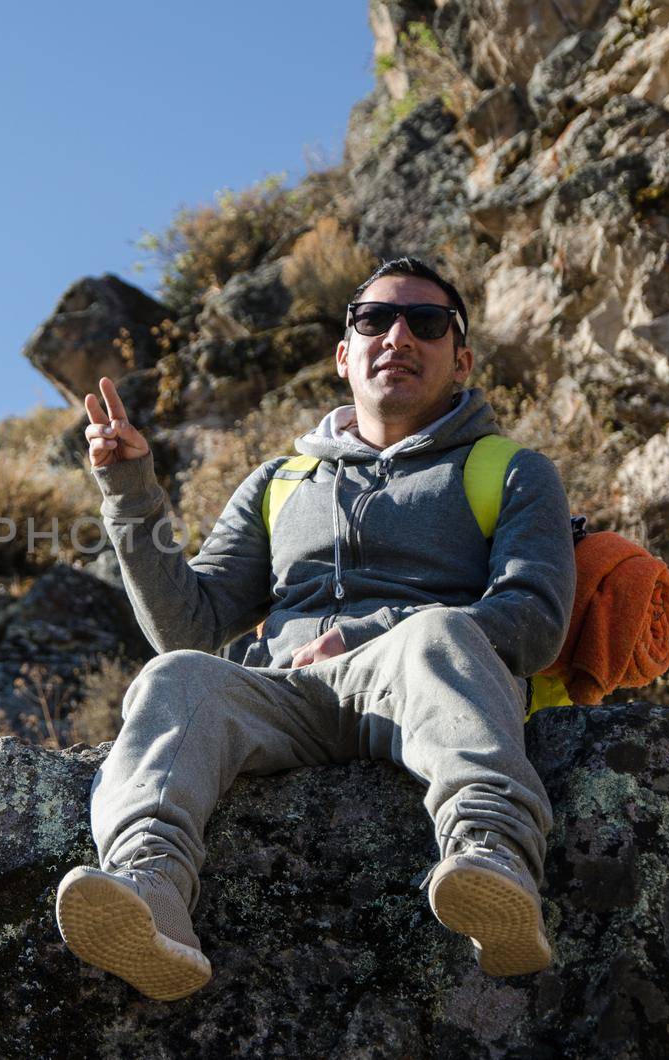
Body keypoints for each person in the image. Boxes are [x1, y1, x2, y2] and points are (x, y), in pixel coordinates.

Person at [53, 256, 575, 1001]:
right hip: (286, 694)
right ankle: (152, 890)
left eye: (426, 324)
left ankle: (493, 863)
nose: (398, 336)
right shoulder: (279, 481)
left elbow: (533, 620)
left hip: (419, 682)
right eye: (374, 320)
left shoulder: (514, 470)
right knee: (175, 678)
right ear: (344, 355)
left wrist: (376, 635)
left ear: (460, 361)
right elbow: (188, 628)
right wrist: (131, 493)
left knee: (440, 638)